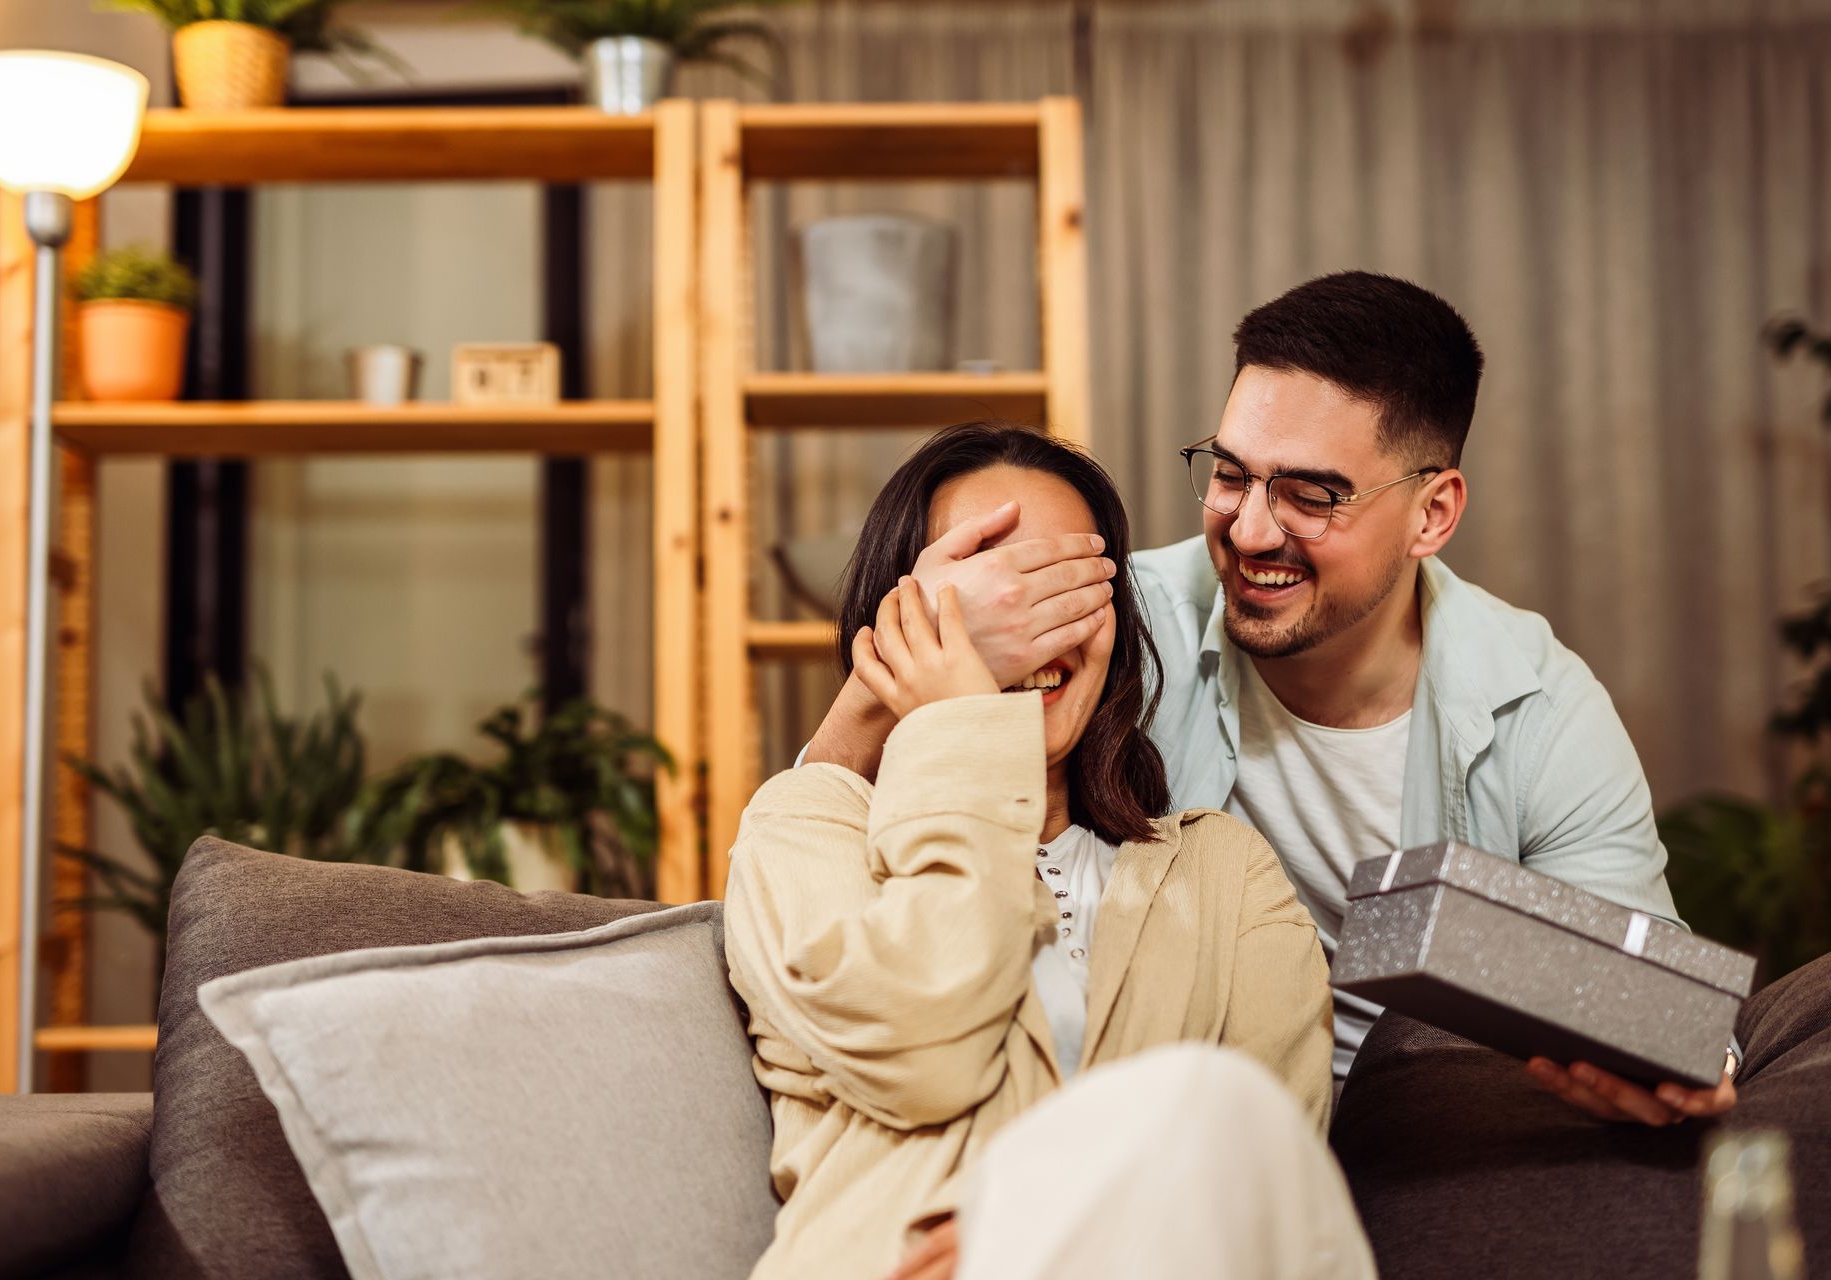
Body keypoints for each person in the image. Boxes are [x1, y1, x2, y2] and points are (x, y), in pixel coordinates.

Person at [803, 271, 1739, 1127]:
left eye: (1311, 495)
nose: (1251, 529)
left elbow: (1654, 984)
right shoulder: (1123, 620)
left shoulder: (1538, 705)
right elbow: (835, 831)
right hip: (1184, 1119)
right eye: (1231, 474)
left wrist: (1682, 1059)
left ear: (1433, 513)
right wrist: (917, 635)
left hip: (1425, 1132)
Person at [724, 424, 1373, 1280]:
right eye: (995, 588)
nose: (1031, 631)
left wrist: (1046, 1218)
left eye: (1067, 587)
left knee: (1222, 1106)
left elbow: (1270, 1181)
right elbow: (926, 1057)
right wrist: (957, 724)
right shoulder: (804, 828)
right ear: (905, 618)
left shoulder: (1225, 875)